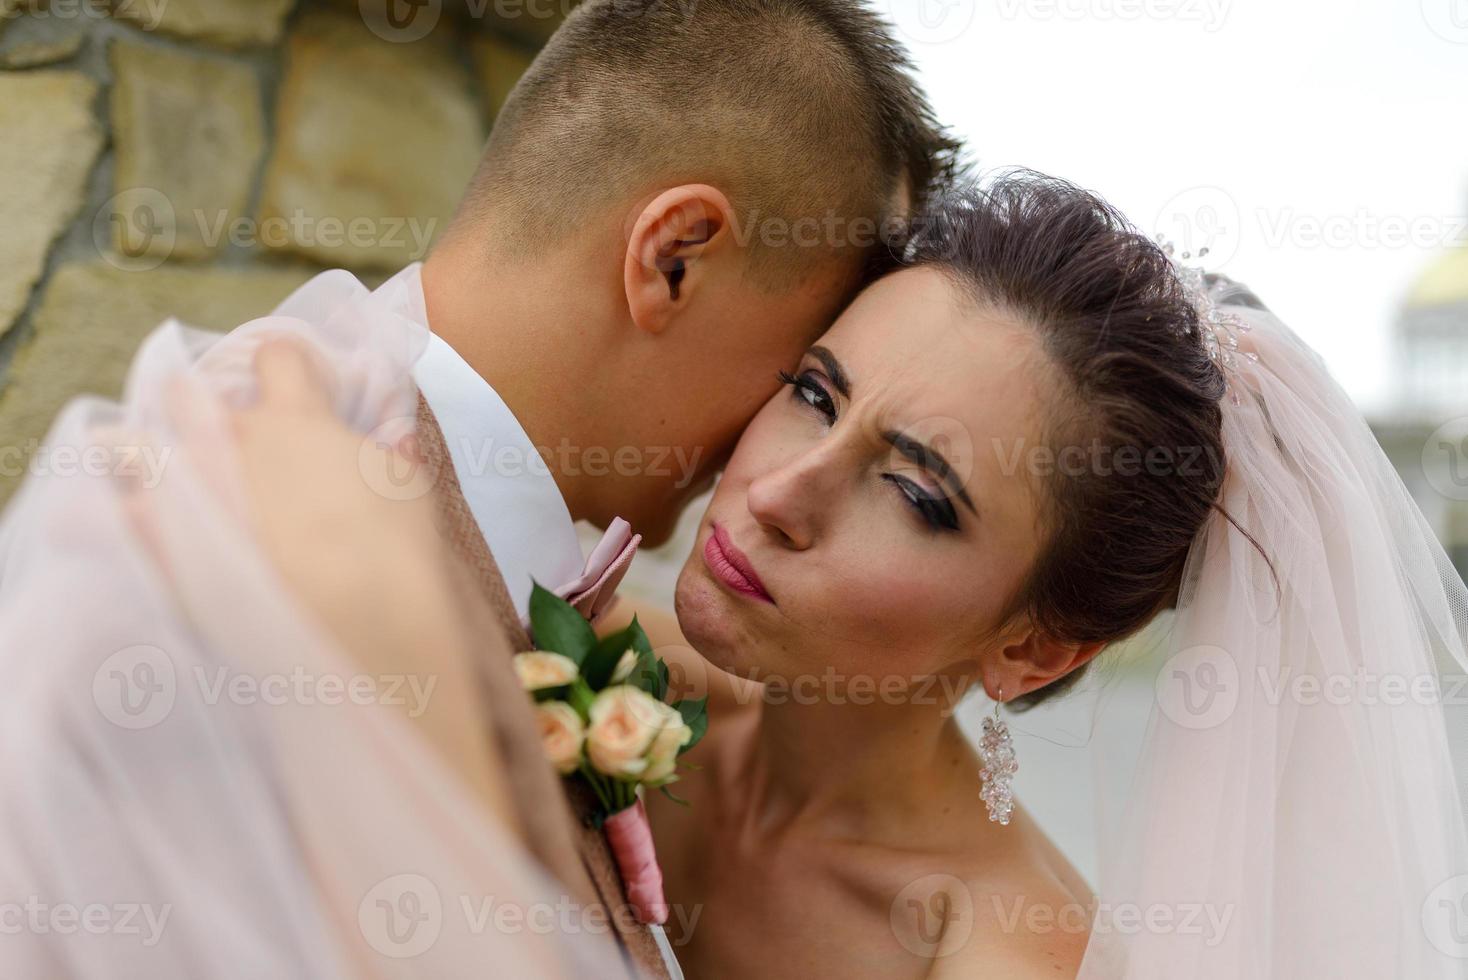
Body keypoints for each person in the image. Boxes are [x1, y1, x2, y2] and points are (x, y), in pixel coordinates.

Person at [144, 173, 1468, 978]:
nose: (777, 492)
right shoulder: (617, 667)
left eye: (913, 490)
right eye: (812, 390)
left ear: (1038, 650)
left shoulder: (995, 956)